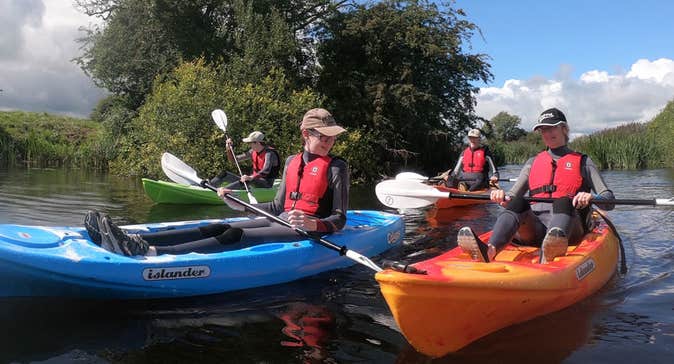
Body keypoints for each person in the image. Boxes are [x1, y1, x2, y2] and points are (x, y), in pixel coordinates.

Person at [84, 108, 349, 257]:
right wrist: (239, 205)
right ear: (306, 134)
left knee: (237, 233)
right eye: (323, 136)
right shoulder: (292, 162)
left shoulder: (337, 167)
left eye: (332, 137)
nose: (329, 141)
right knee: (218, 225)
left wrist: (315, 223)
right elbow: (277, 207)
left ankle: (150, 251)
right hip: (280, 221)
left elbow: (339, 218)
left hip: (310, 232)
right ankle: (132, 237)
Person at [456, 107, 615, 264]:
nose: (547, 133)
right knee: (518, 201)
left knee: (563, 200)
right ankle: (490, 250)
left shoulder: (583, 162)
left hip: (570, 230)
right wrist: (502, 197)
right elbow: (512, 196)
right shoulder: (533, 162)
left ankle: (550, 253)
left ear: (564, 129)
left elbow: (609, 200)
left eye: (552, 128)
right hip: (535, 230)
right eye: (543, 130)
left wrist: (592, 197)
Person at [209, 130, 280, 189]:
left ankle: (223, 191)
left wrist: (250, 177)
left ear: (257, 143)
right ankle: (209, 186)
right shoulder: (252, 151)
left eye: (250, 143)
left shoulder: (270, 153)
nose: (249, 145)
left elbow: (266, 171)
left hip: (266, 184)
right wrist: (228, 149)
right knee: (224, 174)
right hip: (253, 180)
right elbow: (234, 160)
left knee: (245, 180)